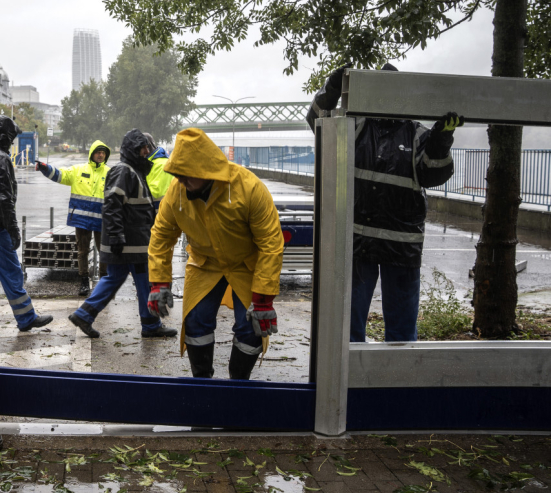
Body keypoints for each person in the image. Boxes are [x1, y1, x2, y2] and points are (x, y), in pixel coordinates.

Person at [306, 64, 460, 342]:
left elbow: (433, 174)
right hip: (358, 247)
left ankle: (396, 384)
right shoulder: (356, 126)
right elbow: (318, 123)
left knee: (401, 334)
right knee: (347, 332)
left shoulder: (417, 134)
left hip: (400, 250)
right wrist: (332, 90)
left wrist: (441, 142)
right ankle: (349, 384)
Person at [147, 128, 284, 381]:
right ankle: (202, 381)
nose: (181, 181)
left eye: (186, 176)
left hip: (245, 264)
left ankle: (238, 382)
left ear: (204, 170)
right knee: (196, 320)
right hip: (204, 263)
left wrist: (264, 298)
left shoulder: (249, 188)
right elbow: (161, 235)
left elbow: (270, 243)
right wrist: (159, 282)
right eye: (177, 175)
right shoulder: (178, 192)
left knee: (250, 326)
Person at [68, 130, 178, 339]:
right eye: (143, 148)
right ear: (133, 150)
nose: (147, 151)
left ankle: (84, 315)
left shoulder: (134, 171)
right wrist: (117, 235)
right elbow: (112, 205)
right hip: (131, 243)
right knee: (144, 280)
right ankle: (150, 324)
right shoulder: (125, 171)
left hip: (129, 242)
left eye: (147, 147)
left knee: (114, 278)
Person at [0, 116, 53, 332]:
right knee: (12, 272)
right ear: (5, 136)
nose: (12, 142)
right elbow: (4, 199)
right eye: (11, 137)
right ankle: (26, 317)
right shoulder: (1, 158)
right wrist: (13, 229)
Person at [35, 140, 110, 295]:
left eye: (103, 153)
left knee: (104, 252)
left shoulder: (110, 173)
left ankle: (104, 283)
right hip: (82, 220)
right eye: (98, 152)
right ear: (92, 154)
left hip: (102, 220)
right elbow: (60, 175)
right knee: (82, 252)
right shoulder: (78, 170)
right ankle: (83, 282)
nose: (100, 155)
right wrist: (45, 168)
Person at [143, 133, 176, 210]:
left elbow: (156, 193)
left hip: (160, 212)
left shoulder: (161, 164)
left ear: (147, 147)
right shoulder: (148, 162)